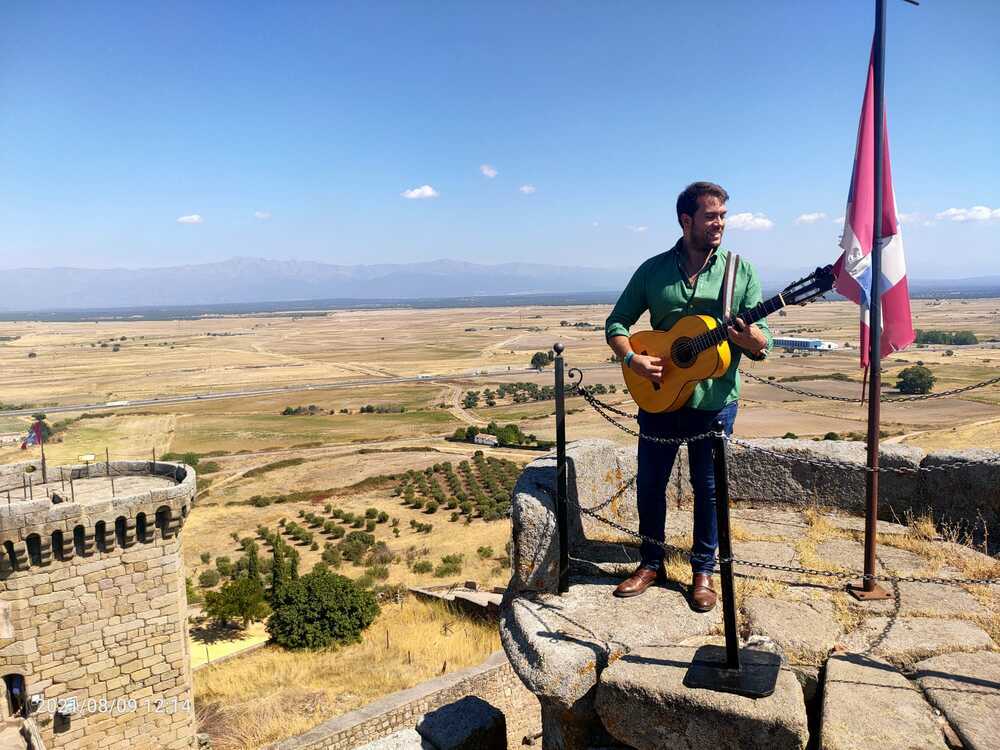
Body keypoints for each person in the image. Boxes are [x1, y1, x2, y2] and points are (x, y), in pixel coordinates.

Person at [604, 181, 771, 611]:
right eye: (711, 216)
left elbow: (761, 341)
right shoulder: (653, 270)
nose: (719, 225)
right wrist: (632, 361)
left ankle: (702, 572)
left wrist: (751, 338)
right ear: (686, 220)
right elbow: (617, 324)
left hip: (714, 401)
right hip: (658, 396)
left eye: (723, 217)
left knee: (709, 488)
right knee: (650, 484)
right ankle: (650, 563)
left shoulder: (741, 272)